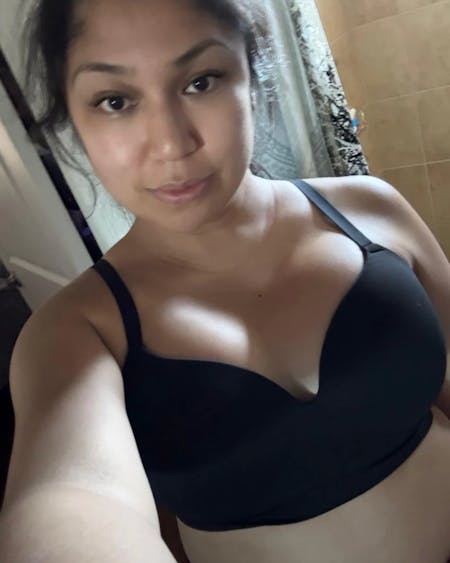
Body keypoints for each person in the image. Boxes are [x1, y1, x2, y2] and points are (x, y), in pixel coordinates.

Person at [0, 0, 449, 561]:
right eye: (115, 101)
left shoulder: (372, 210)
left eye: (201, 81)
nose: (171, 144)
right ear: (73, 120)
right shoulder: (72, 334)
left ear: (251, 78)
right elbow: (70, 498)